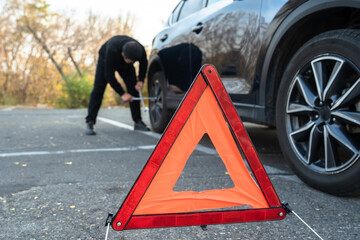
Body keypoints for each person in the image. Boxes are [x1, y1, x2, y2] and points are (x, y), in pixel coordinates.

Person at [85, 35, 150, 135]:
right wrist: (122, 94)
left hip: (125, 64)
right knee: (98, 89)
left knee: (133, 88)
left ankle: (138, 121)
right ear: (123, 54)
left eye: (134, 61)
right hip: (105, 60)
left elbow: (144, 64)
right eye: (131, 61)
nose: (132, 63)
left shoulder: (140, 49)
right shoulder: (112, 50)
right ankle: (90, 121)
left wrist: (140, 80)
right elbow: (109, 76)